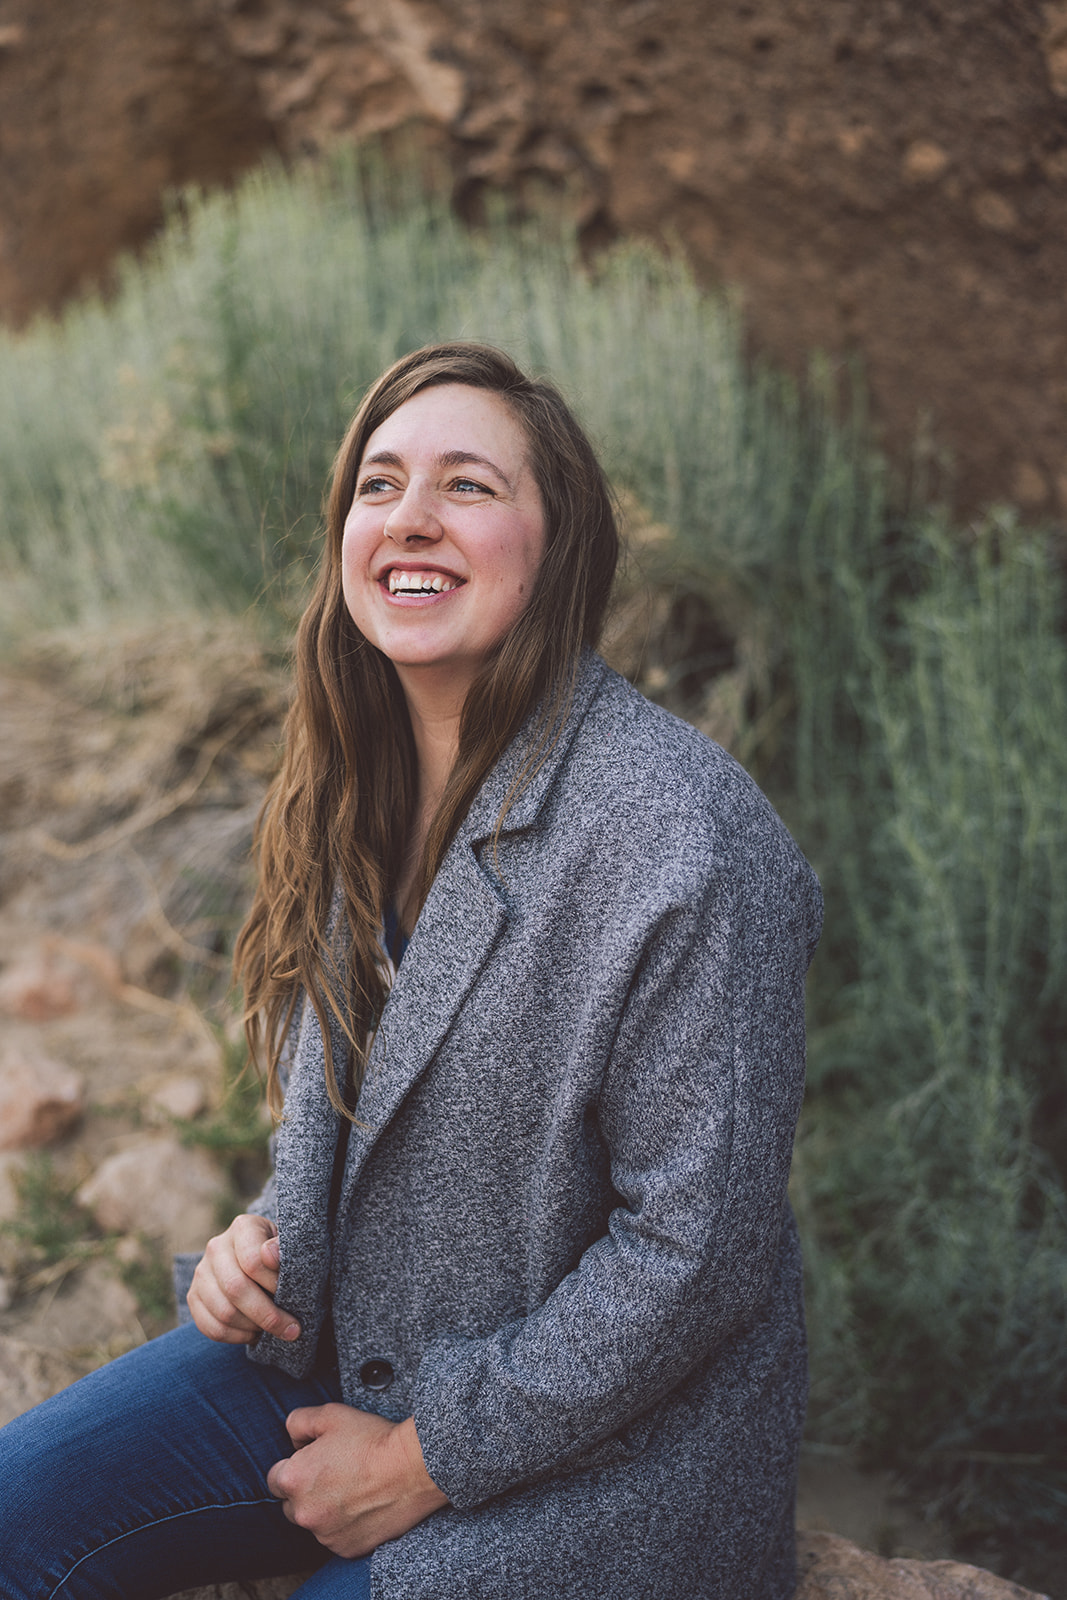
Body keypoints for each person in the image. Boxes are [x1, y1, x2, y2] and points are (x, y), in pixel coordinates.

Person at [0, 342, 822, 1600]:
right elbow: (376, 1124)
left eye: (469, 486)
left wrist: (428, 1457)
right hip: (342, 1355)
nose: (410, 518)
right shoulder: (352, 780)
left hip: (609, 1458)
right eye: (378, 484)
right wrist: (260, 1243)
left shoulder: (681, 840)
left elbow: (695, 1257)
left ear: (561, 547)